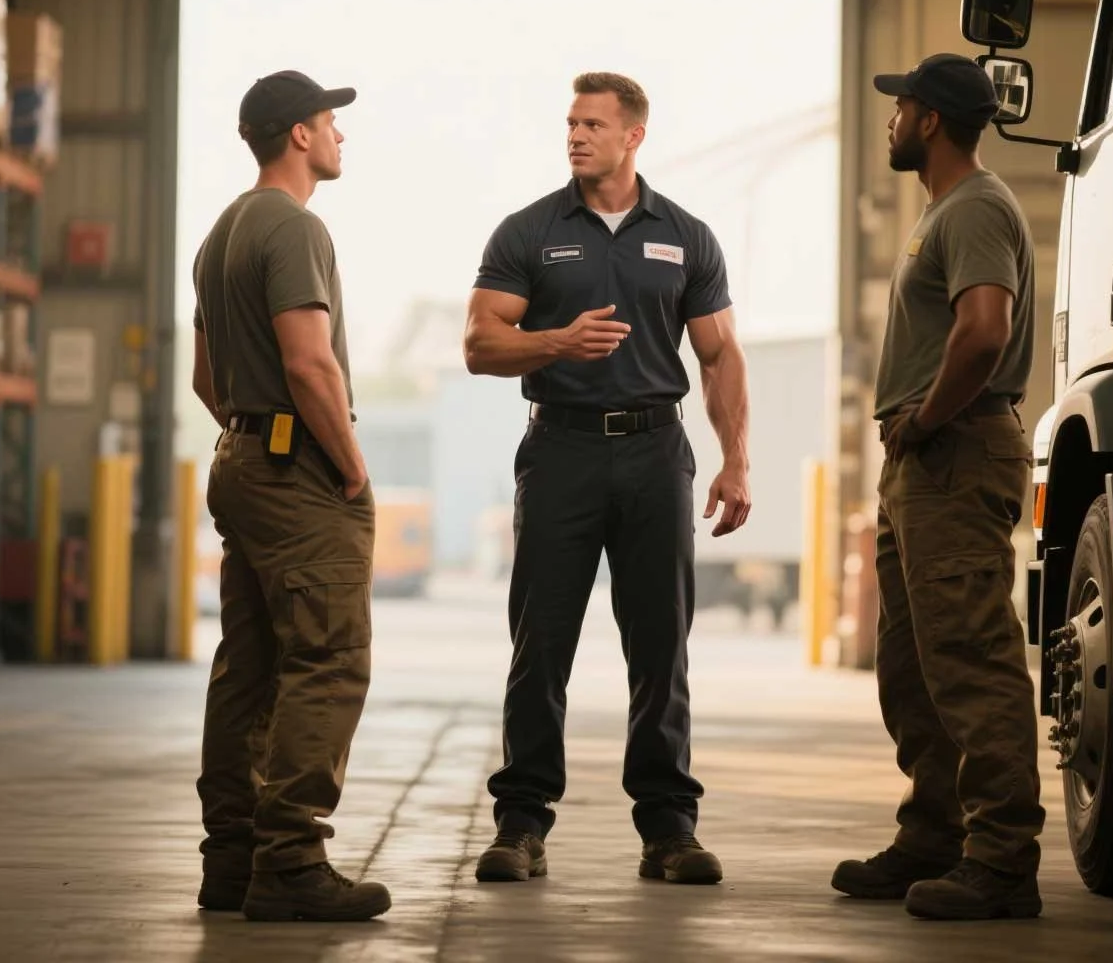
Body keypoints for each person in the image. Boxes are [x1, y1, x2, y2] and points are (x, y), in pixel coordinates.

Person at [462, 71, 751, 886]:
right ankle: (521, 825)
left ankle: (669, 830)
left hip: (659, 453)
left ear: (635, 136)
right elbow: (480, 344)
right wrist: (556, 342)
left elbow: (720, 353)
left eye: (593, 124)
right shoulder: (529, 231)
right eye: (570, 123)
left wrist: (736, 460)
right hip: (561, 452)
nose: (576, 136)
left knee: (661, 643)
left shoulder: (687, 236)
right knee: (541, 643)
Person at [830, 52, 1044, 920]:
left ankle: (1001, 861)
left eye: (901, 106)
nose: (890, 119)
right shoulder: (947, 211)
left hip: (953, 451)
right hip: (923, 464)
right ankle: (934, 835)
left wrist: (921, 421)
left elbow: (983, 333)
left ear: (930, 120)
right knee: (913, 664)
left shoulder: (978, 207)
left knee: (970, 659)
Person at [189, 69, 390, 923]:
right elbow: (311, 362)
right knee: (326, 657)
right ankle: (293, 861)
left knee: (250, 665)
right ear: (299, 135)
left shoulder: (221, 232)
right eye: (331, 122)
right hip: (296, 470)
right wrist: (348, 464)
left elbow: (206, 376)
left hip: (241, 457)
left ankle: (231, 858)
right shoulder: (294, 227)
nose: (342, 136)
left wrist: (251, 429)